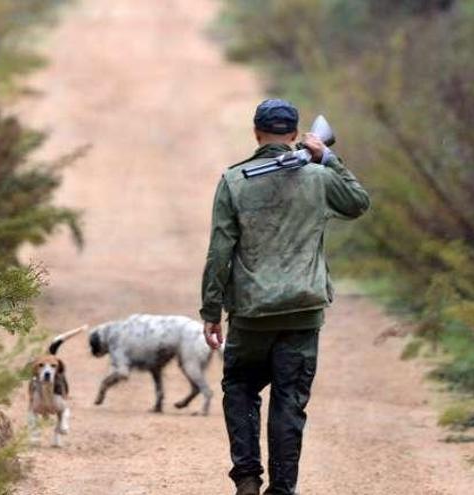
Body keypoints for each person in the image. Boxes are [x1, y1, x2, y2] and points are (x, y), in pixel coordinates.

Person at [200, 99, 370, 495]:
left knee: (240, 388)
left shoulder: (234, 180)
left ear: (257, 133)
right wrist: (327, 156)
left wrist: (211, 311)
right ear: (295, 135)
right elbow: (358, 202)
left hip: (250, 314)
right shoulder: (318, 176)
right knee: (289, 402)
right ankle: (282, 489)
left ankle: (246, 478)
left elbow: (219, 252)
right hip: (302, 313)